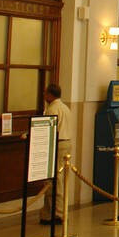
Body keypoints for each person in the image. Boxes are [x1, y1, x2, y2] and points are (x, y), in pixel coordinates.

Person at [40, 83, 73, 224]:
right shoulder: (65, 107)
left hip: (57, 145)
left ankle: (58, 213)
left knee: (55, 180)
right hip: (67, 143)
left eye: (45, 93)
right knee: (58, 179)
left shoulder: (52, 109)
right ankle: (48, 212)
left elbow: (48, 129)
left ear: (50, 94)